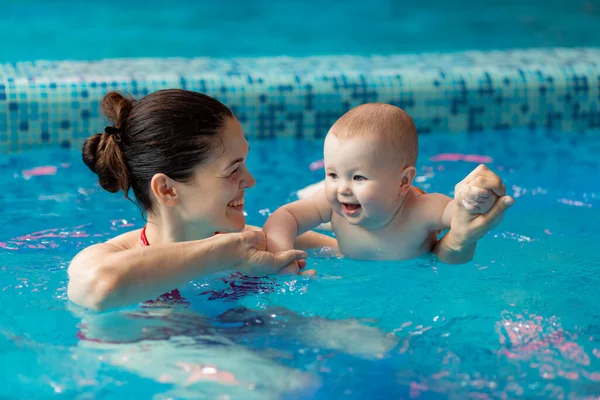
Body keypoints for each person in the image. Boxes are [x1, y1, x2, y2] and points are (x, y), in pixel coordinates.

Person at [68, 91, 510, 312]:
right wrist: (231, 251)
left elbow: (380, 254)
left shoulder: (260, 244)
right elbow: (99, 290)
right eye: (232, 168)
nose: (251, 180)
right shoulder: (107, 258)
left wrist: (460, 236)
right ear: (167, 190)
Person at [264, 103, 513, 273]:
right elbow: (283, 217)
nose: (342, 189)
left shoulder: (423, 210)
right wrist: (283, 262)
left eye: (358, 178)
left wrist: (473, 198)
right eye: (333, 174)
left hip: (411, 274)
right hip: (347, 253)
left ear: (403, 182)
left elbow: (464, 216)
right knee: (270, 235)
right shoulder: (330, 203)